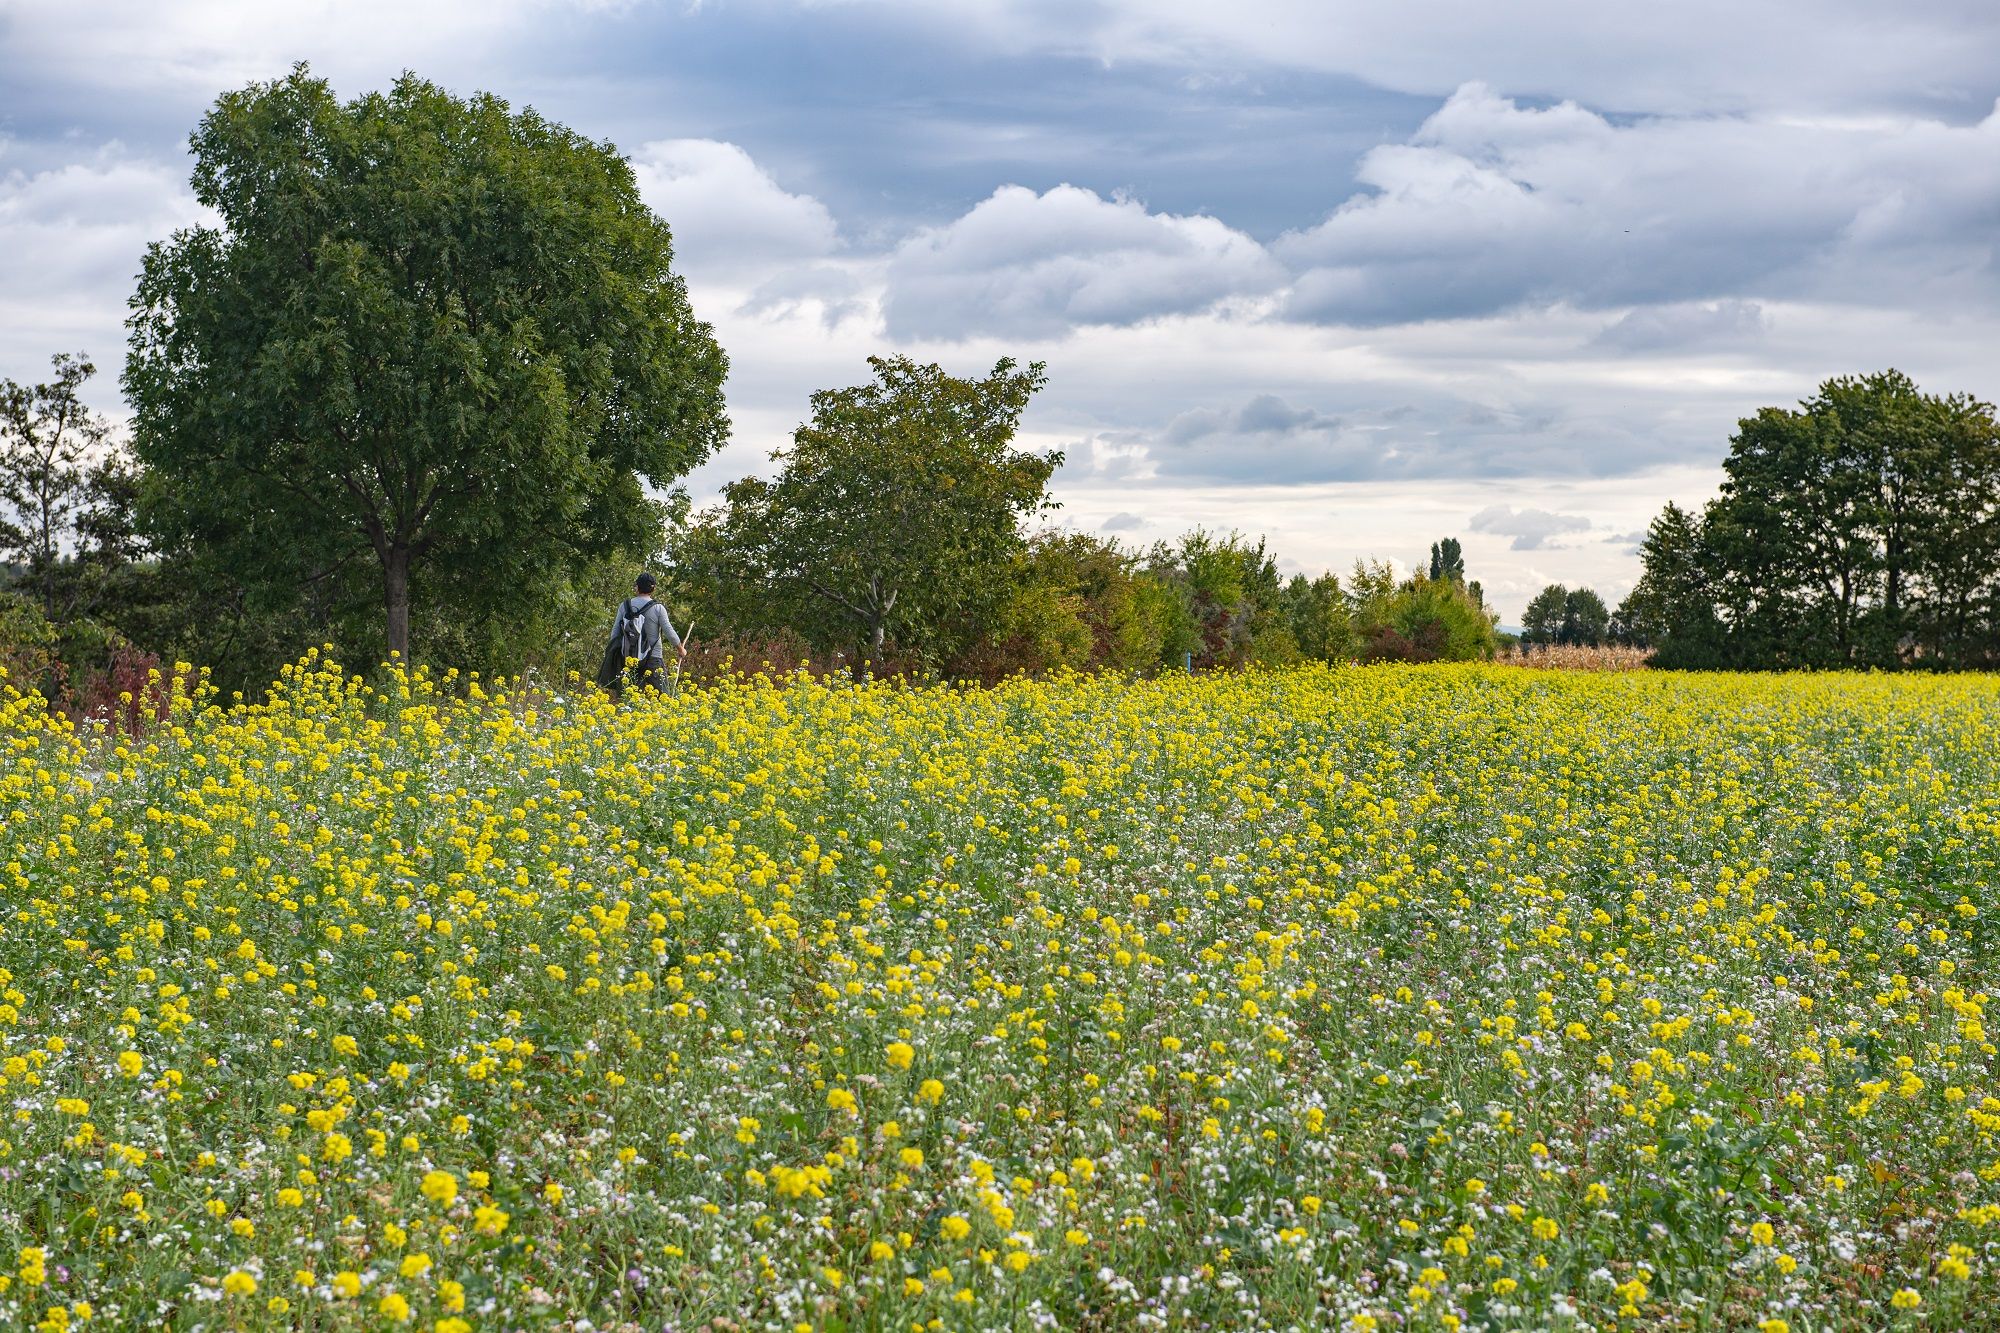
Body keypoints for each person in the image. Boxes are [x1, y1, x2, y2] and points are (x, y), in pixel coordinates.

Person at [596, 573, 685, 697]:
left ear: (637, 587)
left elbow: (615, 632)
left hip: (627, 658)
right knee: (662, 697)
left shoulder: (625, 606)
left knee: (628, 697)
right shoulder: (658, 608)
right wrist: (680, 648)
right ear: (653, 589)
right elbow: (668, 630)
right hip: (653, 658)